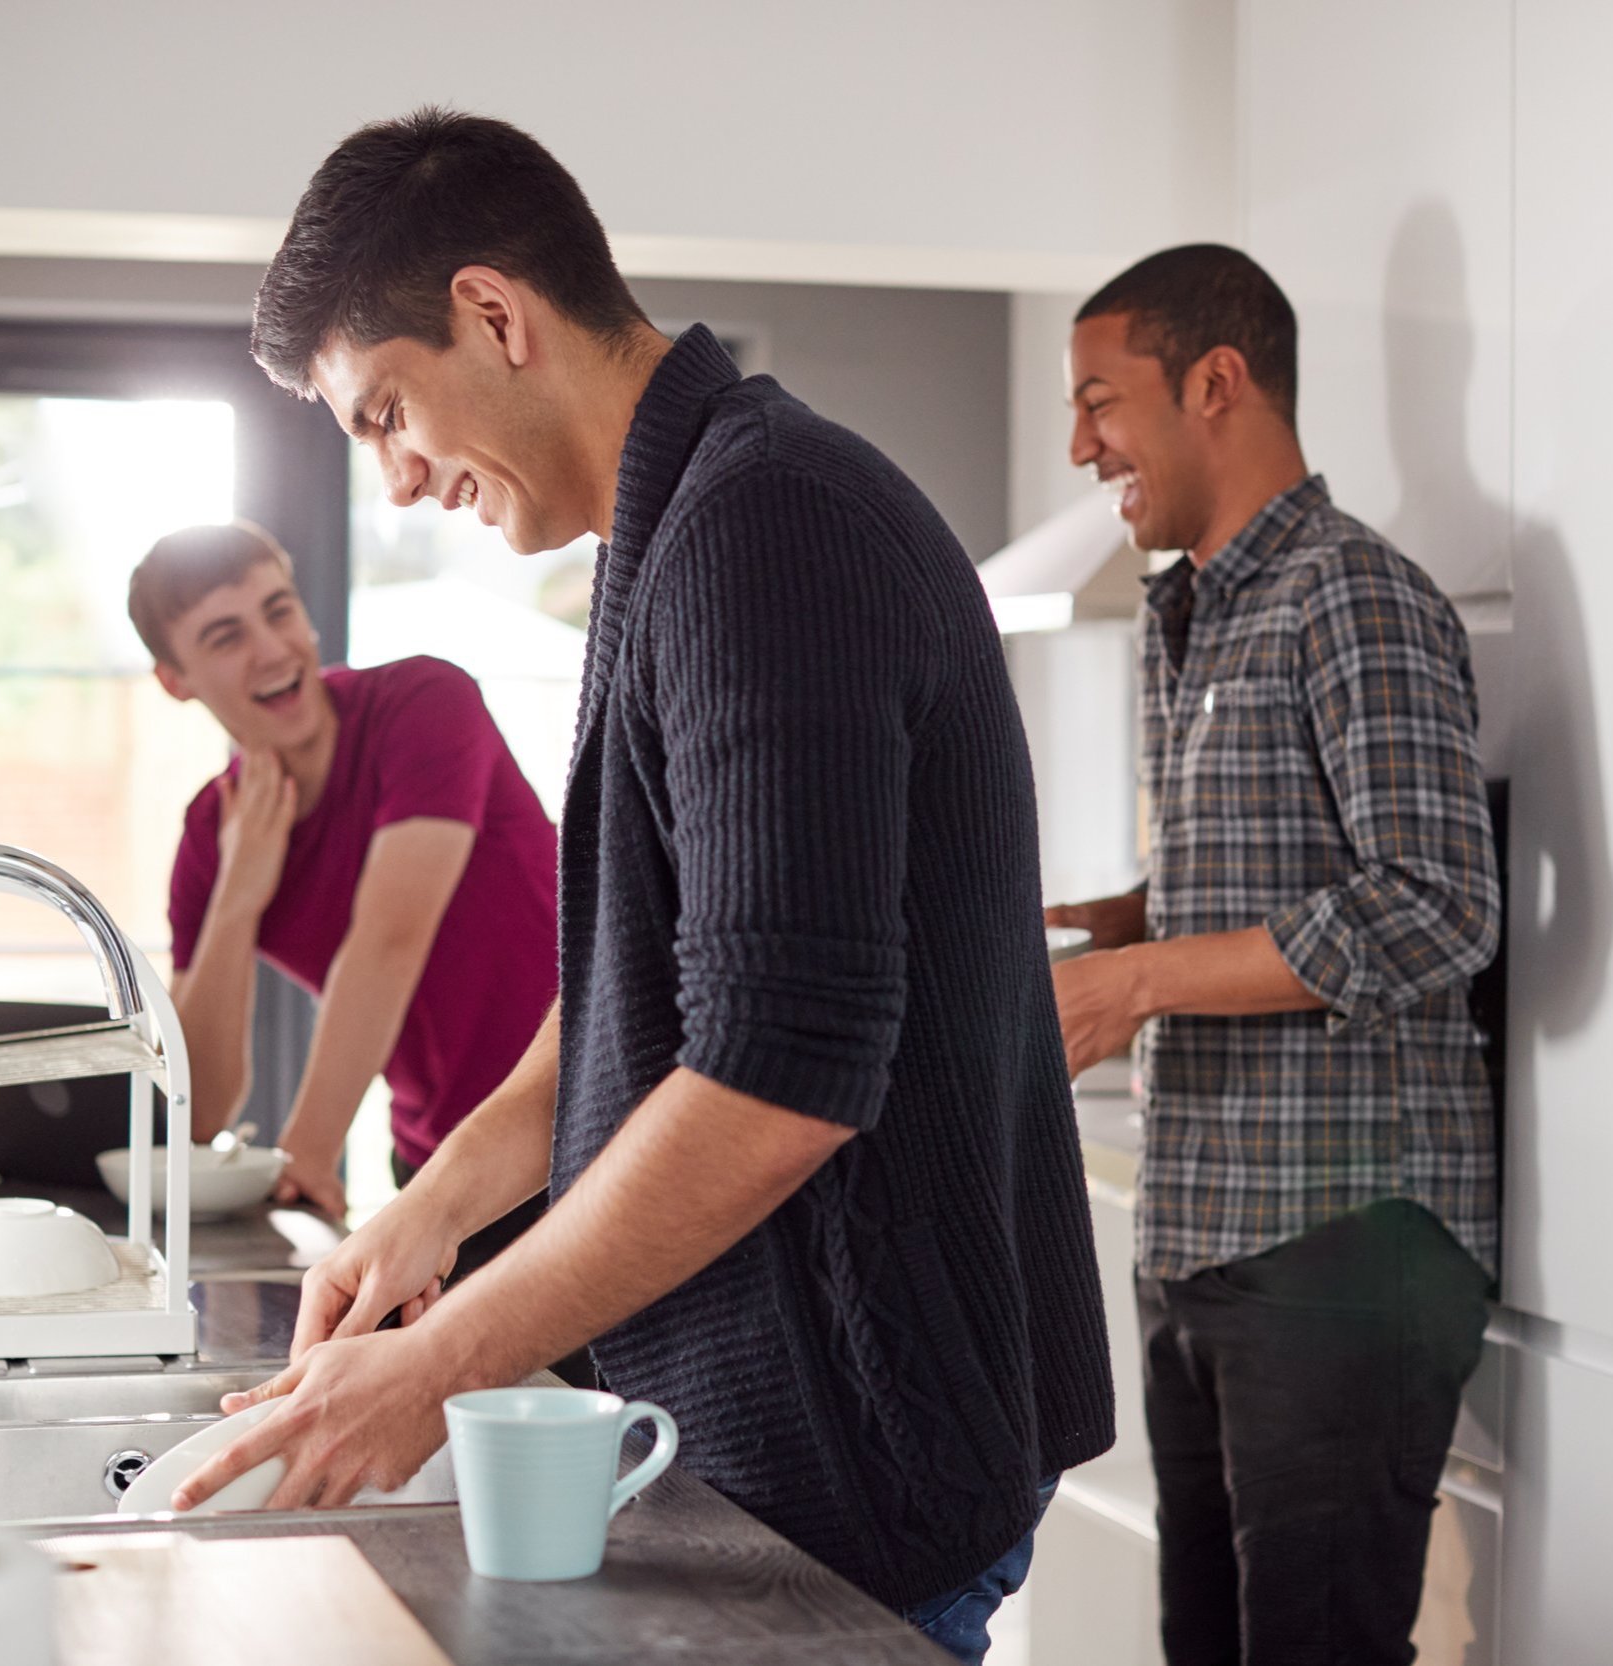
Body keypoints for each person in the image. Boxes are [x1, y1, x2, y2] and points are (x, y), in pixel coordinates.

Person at [168, 108, 1113, 1664]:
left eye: (388, 410)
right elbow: (653, 987)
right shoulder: (676, 527)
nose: (397, 481)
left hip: (861, 1464)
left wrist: (433, 1367)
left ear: (494, 312)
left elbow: (776, 1077)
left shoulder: (766, 527)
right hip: (789, 1445)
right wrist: (433, 1212)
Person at [1047, 244, 1499, 1665]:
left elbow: (1435, 902)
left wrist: (1133, 982)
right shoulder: (1193, 613)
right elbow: (1278, 869)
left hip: (1341, 1244)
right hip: (1207, 1236)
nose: (1078, 445)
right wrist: (1101, 924)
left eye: (1098, 401)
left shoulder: (1350, 593)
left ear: (1214, 383)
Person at [128, 523, 591, 1379]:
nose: (271, 649)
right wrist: (238, 896)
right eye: (226, 637)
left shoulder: (424, 702)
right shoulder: (211, 833)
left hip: (583, 1127)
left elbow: (388, 939)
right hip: (435, 1162)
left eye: (279, 610)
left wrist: (307, 1151)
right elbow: (203, 1103)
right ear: (176, 679)